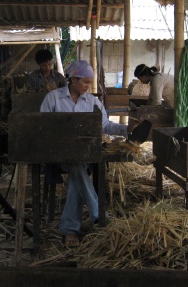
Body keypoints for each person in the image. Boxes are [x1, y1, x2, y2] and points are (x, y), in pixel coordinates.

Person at [40, 60, 131, 247]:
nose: (88, 86)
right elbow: (43, 127)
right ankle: (98, 215)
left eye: (90, 83)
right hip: (59, 155)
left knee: (78, 171)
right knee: (76, 167)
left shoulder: (92, 102)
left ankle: (70, 230)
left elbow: (105, 126)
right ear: (73, 79)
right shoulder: (53, 98)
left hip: (85, 156)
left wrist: (127, 129)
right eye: (85, 82)